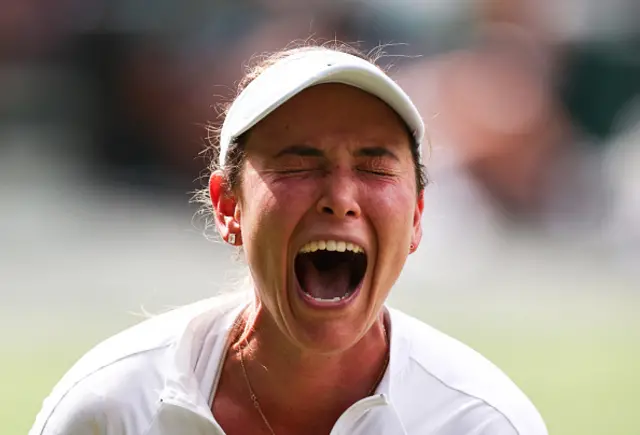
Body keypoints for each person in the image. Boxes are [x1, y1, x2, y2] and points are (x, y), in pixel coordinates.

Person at [30, 42, 548, 435]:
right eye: (299, 164)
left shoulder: (481, 421)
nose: (340, 197)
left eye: (374, 167)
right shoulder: (112, 407)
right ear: (229, 206)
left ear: (416, 217)